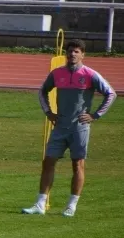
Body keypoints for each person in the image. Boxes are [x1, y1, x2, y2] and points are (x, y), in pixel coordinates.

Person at [23, 39, 116, 217]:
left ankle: (71, 206)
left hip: (80, 128)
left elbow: (110, 94)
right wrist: (48, 112)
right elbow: (42, 91)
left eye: (76, 51)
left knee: (78, 164)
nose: (72, 54)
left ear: (83, 55)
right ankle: (40, 204)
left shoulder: (90, 74)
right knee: (48, 162)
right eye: (70, 51)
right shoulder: (57, 73)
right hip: (60, 127)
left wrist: (95, 115)